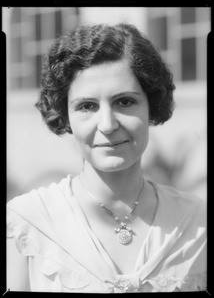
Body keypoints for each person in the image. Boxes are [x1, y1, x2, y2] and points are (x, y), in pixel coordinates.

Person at [6, 23, 206, 293]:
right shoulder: (26, 224)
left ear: (152, 105)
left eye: (124, 102)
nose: (107, 124)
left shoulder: (197, 221)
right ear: (66, 115)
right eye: (87, 106)